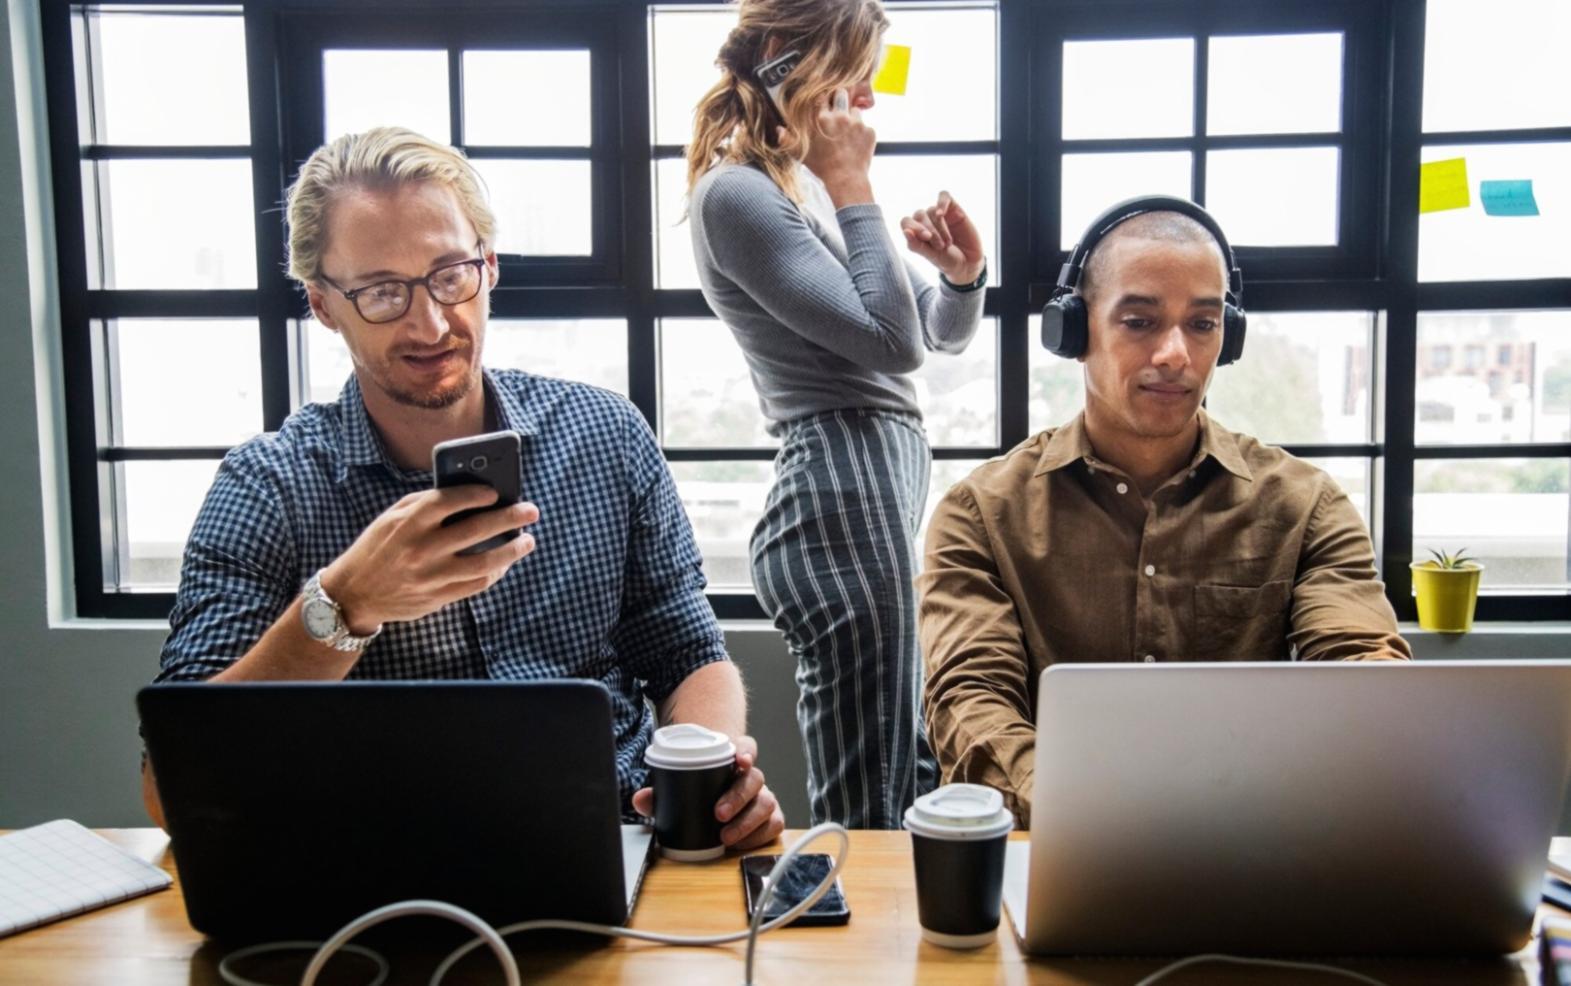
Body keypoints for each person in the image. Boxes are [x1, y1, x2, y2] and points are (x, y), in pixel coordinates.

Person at [142, 127, 784, 851]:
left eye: (450, 275)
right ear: (322, 305)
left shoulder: (604, 434)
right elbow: (174, 789)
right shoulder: (268, 485)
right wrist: (344, 605)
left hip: (615, 835)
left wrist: (707, 779)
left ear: (490, 266)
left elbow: (686, 652)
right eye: (382, 292)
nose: (430, 324)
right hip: (372, 863)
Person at [918, 197, 1412, 827]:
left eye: (1202, 324)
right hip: (1063, 843)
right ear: (1074, 331)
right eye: (1140, 321)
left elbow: (1360, 669)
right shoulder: (978, 514)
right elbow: (970, 703)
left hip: (1256, 842)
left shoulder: (1307, 505)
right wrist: (1094, 814)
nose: (1176, 353)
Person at [685, 0, 987, 830]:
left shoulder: (805, 191)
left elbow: (938, 332)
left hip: (868, 488)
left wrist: (962, 275)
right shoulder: (736, 194)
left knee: (900, 770)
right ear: (787, 58)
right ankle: (845, 920)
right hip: (839, 489)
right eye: (855, 74)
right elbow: (893, 345)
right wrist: (856, 187)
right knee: (872, 793)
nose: (868, 99)